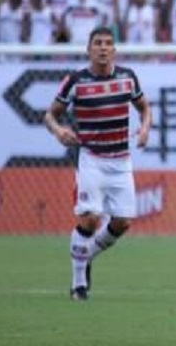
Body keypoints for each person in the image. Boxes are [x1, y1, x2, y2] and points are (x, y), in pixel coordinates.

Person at [43, 27, 152, 301]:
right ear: (88, 49)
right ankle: (78, 285)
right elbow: (50, 115)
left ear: (114, 50)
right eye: (98, 43)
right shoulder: (76, 81)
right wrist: (58, 131)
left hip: (121, 161)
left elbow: (144, 108)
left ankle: (86, 254)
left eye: (108, 44)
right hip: (91, 158)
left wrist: (145, 128)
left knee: (123, 222)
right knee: (90, 218)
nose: (103, 48)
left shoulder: (128, 78)